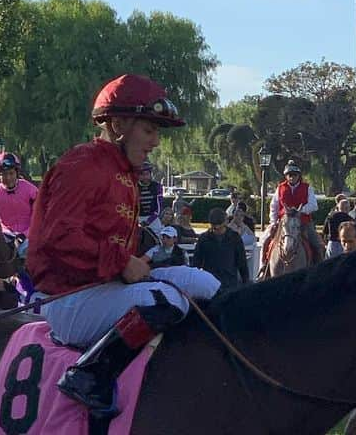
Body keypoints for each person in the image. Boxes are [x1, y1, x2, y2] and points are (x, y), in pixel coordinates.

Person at [25, 73, 220, 419]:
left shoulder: (124, 172)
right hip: (69, 300)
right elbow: (57, 239)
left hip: (103, 290)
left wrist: (136, 255)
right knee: (166, 299)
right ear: (117, 125)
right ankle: (88, 375)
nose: (156, 141)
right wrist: (122, 263)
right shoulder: (81, 164)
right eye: (150, 130)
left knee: (203, 282)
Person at [263, 161, 321, 265]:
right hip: (283, 222)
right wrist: (273, 222)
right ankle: (263, 267)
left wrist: (300, 210)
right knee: (266, 240)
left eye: (295, 175)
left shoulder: (307, 187)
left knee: (317, 244)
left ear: (299, 176)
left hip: (303, 222)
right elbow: (274, 206)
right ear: (286, 176)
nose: (292, 177)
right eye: (289, 175)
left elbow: (313, 205)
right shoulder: (280, 188)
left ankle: (320, 270)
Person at [0, 151, 38, 239]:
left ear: (17, 173)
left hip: (31, 235)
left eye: (11, 173)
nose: (8, 178)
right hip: (6, 236)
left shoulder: (31, 190)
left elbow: (39, 216)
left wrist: (25, 234)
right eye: (4, 174)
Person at [194, 207, 250, 289]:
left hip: (230, 283)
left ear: (226, 222)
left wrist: (246, 283)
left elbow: (242, 262)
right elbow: (196, 263)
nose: (217, 230)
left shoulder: (234, 237)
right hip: (209, 284)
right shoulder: (204, 238)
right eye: (214, 227)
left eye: (220, 227)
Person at [135, 162, 164, 233]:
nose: (145, 177)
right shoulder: (134, 186)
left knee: (159, 238)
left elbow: (159, 207)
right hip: (137, 218)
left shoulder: (157, 186)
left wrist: (148, 221)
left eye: (147, 174)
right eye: (142, 174)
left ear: (150, 174)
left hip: (153, 219)